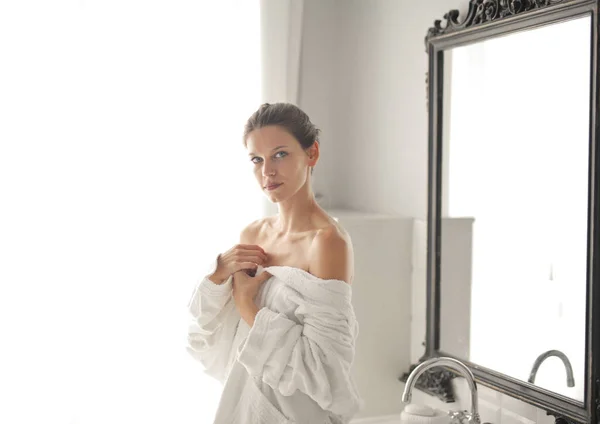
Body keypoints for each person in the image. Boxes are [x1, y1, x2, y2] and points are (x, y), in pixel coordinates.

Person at [186, 103, 362, 424]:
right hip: (244, 405)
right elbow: (213, 329)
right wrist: (220, 271)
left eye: (280, 154)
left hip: (297, 414)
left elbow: (322, 366)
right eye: (257, 160)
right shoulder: (253, 234)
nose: (267, 171)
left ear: (312, 154)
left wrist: (245, 303)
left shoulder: (327, 243)